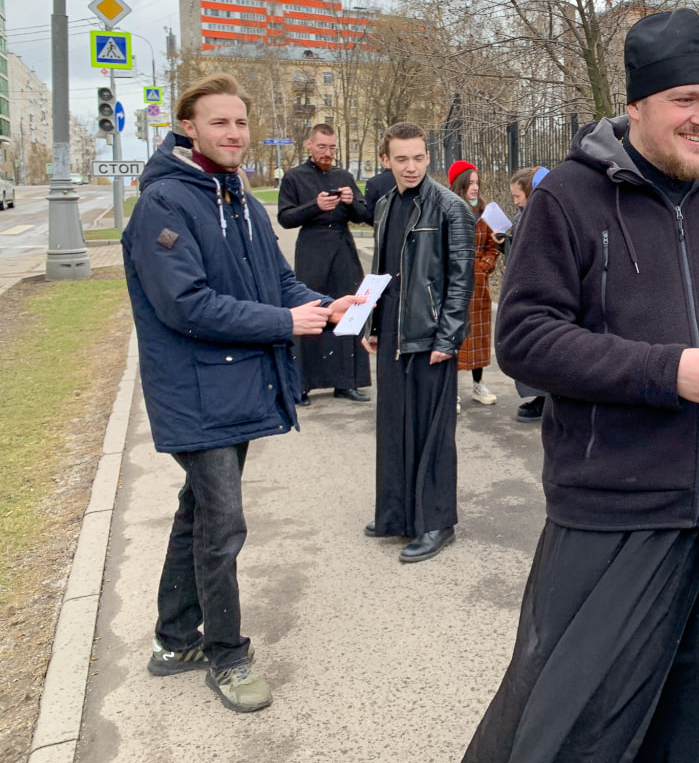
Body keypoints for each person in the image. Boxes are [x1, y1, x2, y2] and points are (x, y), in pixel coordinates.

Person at [465, 8, 699, 763]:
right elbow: (525, 338)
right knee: (575, 727)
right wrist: (666, 371)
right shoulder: (569, 197)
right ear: (637, 105)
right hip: (614, 511)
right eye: (685, 100)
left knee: (696, 723)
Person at [122, 73, 361, 713]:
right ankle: (226, 656)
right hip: (194, 391)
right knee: (223, 523)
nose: (234, 134)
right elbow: (185, 304)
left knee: (199, 511)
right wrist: (285, 322)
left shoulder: (241, 201)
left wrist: (324, 306)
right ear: (188, 128)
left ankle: (174, 640)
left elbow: (278, 283)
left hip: (235, 387)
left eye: (241, 122)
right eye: (219, 122)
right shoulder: (164, 204)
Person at [362, 123, 475, 563]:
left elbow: (461, 280)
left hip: (431, 334)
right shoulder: (385, 204)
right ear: (385, 160)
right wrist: (372, 324)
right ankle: (395, 513)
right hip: (394, 329)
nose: (411, 167)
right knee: (393, 424)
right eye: (401, 158)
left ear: (428, 157)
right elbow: (382, 271)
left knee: (432, 432)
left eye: (418, 157)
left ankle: (437, 522)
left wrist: (448, 336)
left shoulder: (450, 207)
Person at [276, 123, 372, 405]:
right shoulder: (294, 177)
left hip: (343, 248)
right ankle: (302, 385)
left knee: (351, 310)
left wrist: (351, 202)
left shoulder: (344, 176)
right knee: (311, 309)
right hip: (312, 248)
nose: (327, 153)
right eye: (322, 147)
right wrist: (314, 206)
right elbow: (285, 218)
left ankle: (348, 382)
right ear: (309, 145)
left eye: (332, 148)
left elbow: (364, 215)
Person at [448, 159, 502, 406]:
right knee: (455, 337)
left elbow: (493, 245)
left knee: (478, 336)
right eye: (470, 183)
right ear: (459, 185)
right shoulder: (448, 210)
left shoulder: (486, 212)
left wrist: (484, 266)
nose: (475, 187)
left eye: (477, 182)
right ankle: (451, 390)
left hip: (479, 286)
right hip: (454, 284)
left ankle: (478, 385)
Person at [502, 166, 546, 423]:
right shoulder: (528, 215)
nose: (516, 201)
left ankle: (543, 398)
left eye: (517, 196)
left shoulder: (532, 217)